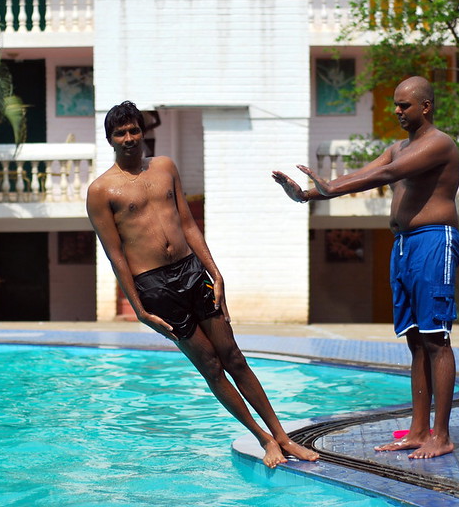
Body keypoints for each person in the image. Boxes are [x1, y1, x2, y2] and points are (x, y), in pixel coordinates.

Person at [87, 100, 319, 468]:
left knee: (234, 356)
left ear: (143, 132)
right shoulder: (101, 191)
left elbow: (188, 223)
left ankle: (283, 437)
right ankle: (263, 439)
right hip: (155, 286)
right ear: (110, 139)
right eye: (120, 133)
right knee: (210, 366)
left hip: (193, 272)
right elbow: (115, 255)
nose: (129, 138)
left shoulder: (165, 167)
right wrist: (140, 310)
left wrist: (216, 272)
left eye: (134, 130)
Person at [272, 76, 459, 459]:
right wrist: (308, 194)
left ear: (425, 106)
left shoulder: (439, 144)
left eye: (404, 105)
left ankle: (441, 435)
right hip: (404, 245)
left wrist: (330, 189)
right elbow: (359, 174)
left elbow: (386, 175)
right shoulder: (397, 148)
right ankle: (419, 430)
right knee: (415, 340)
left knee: (436, 339)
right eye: (395, 104)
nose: (396, 111)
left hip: (433, 241)